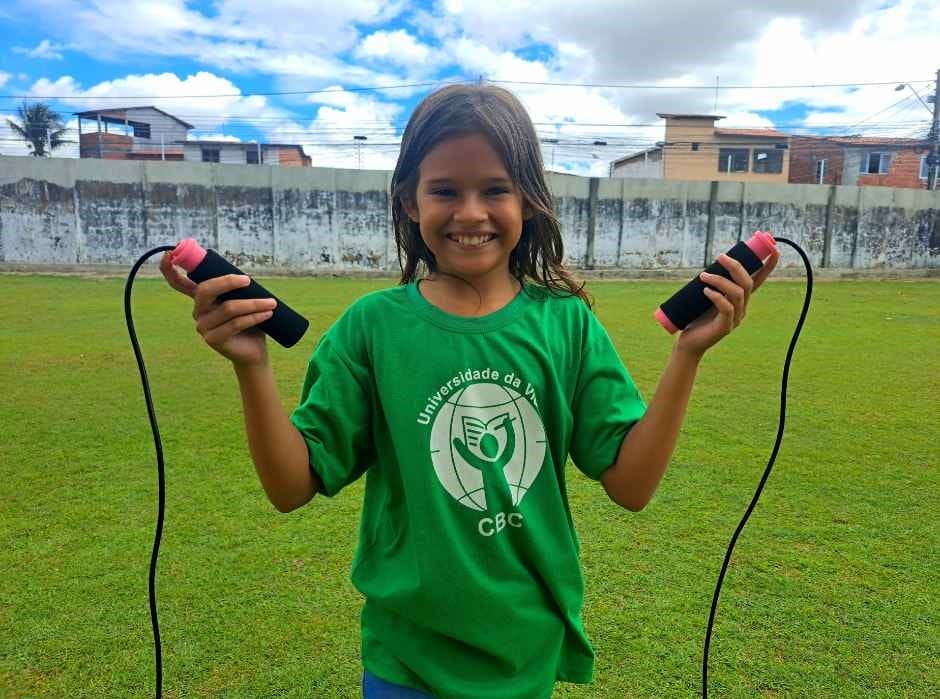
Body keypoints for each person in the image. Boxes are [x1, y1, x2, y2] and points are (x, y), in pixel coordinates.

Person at [159, 83, 779, 699]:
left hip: (523, 652)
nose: (471, 213)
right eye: (445, 191)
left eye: (496, 189)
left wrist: (686, 355)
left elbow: (632, 485)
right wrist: (252, 367)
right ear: (409, 201)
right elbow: (292, 487)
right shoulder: (372, 328)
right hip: (408, 657)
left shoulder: (565, 323)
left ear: (529, 201)